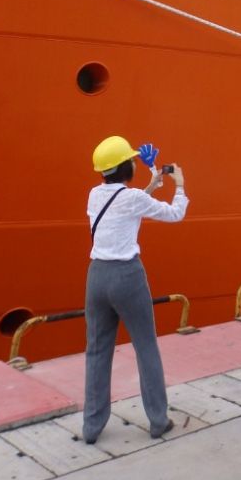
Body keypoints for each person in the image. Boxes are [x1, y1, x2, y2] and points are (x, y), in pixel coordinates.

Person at [82, 135, 188, 444]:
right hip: (127, 276)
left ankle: (92, 427)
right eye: (130, 160)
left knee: (97, 351)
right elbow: (173, 213)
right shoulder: (131, 199)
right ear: (125, 166)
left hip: (96, 277)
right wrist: (178, 185)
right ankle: (157, 420)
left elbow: (125, 207)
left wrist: (154, 180)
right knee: (145, 346)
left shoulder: (93, 195)